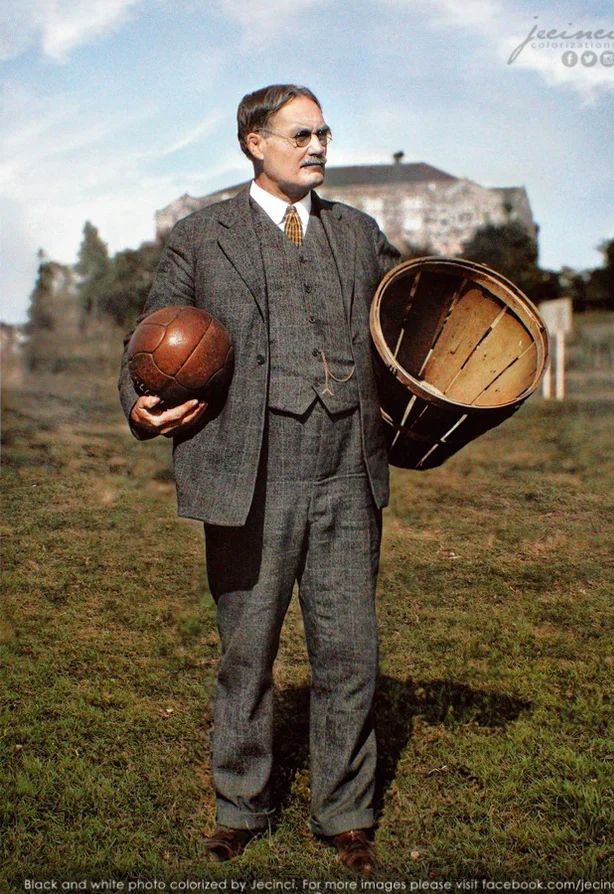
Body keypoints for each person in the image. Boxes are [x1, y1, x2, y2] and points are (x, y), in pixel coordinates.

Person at [118, 84, 400, 875]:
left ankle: (346, 812)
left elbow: (407, 318)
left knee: (350, 652)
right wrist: (138, 408)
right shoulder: (201, 236)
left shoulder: (359, 232)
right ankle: (240, 804)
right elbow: (148, 338)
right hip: (250, 471)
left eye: (324, 133)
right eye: (300, 134)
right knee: (247, 652)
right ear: (254, 142)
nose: (318, 147)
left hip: (348, 471)